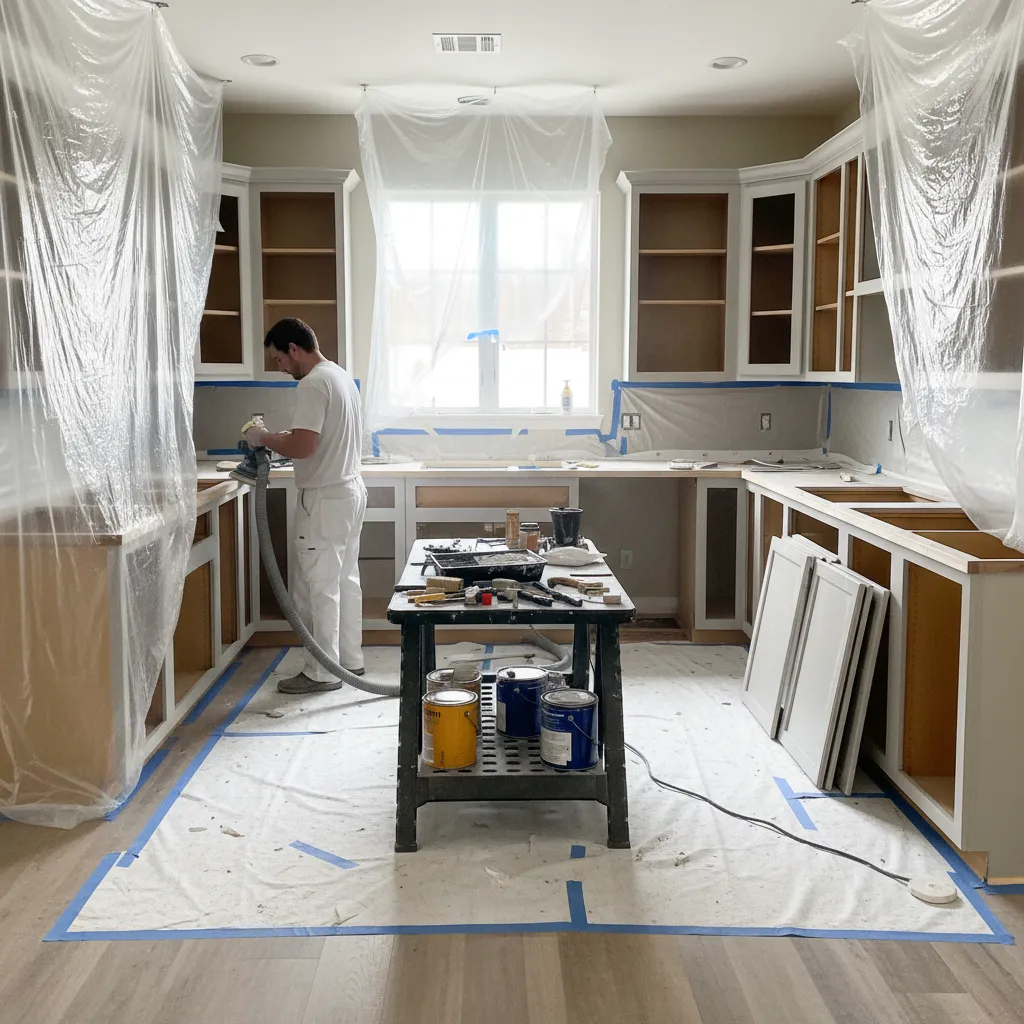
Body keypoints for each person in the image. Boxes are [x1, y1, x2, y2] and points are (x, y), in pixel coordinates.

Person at [243, 318, 366, 694]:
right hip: (349, 491)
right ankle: (349, 660)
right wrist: (286, 436)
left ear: (294, 349)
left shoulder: (312, 383)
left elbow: (304, 446)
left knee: (318, 588)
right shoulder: (340, 376)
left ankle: (321, 672)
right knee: (344, 580)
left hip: (324, 498)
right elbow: (314, 437)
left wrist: (262, 437)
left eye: (279, 359)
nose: (281, 367)